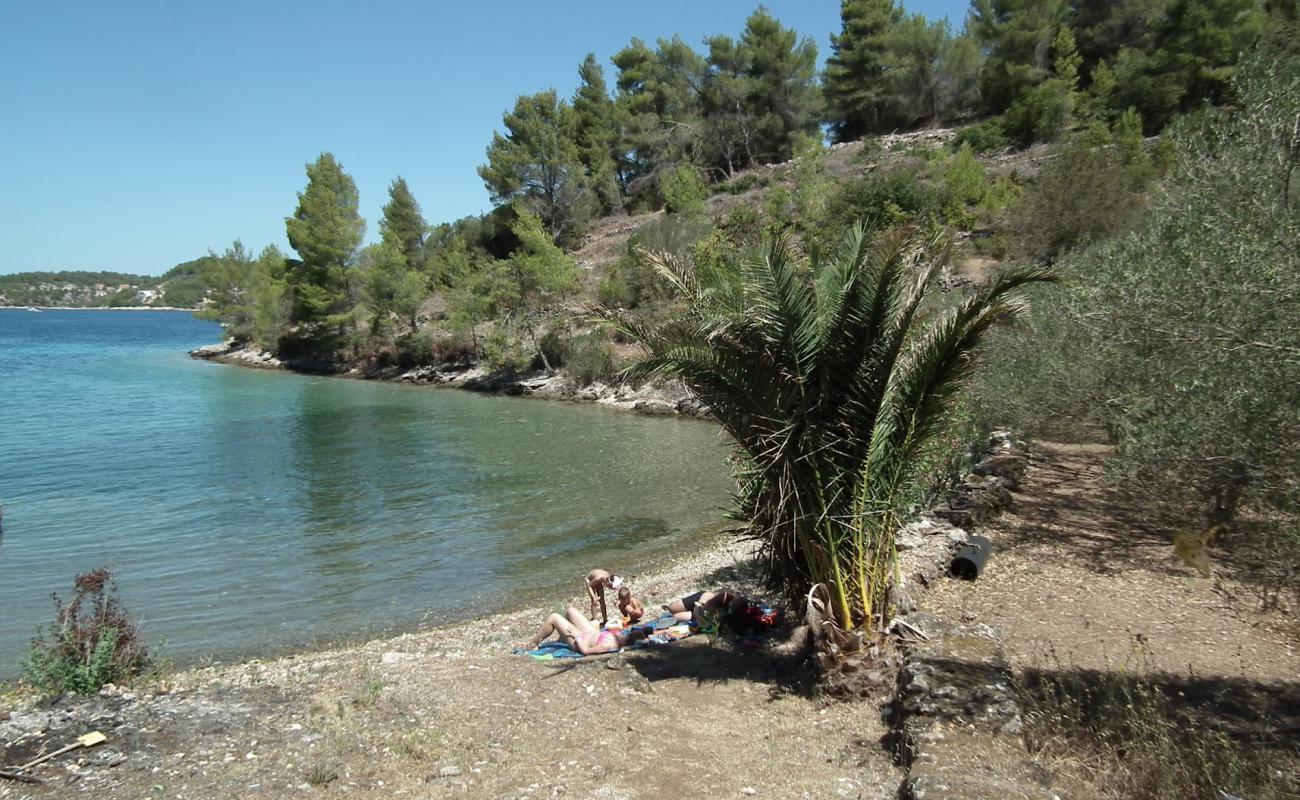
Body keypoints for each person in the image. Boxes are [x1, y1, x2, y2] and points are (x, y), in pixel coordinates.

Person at [523, 606, 648, 655]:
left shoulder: (608, 645)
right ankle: (563, 636)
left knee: (554, 617)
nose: (627, 633)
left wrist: (576, 636)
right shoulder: (620, 636)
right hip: (590, 632)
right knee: (570, 610)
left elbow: (585, 651)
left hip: (580, 641)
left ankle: (532, 644)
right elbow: (610, 628)